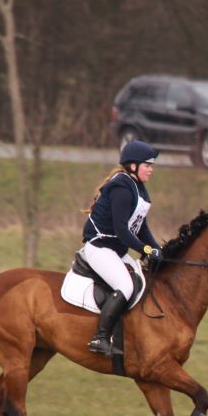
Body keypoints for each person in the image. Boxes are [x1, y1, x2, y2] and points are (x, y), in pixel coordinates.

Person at [80, 140, 163, 356]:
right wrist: (146, 250)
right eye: (148, 165)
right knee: (126, 286)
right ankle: (100, 338)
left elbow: (141, 226)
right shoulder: (122, 188)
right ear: (133, 165)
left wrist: (159, 249)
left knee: (141, 282)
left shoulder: (139, 189)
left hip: (115, 250)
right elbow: (122, 231)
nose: (151, 170)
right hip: (100, 248)